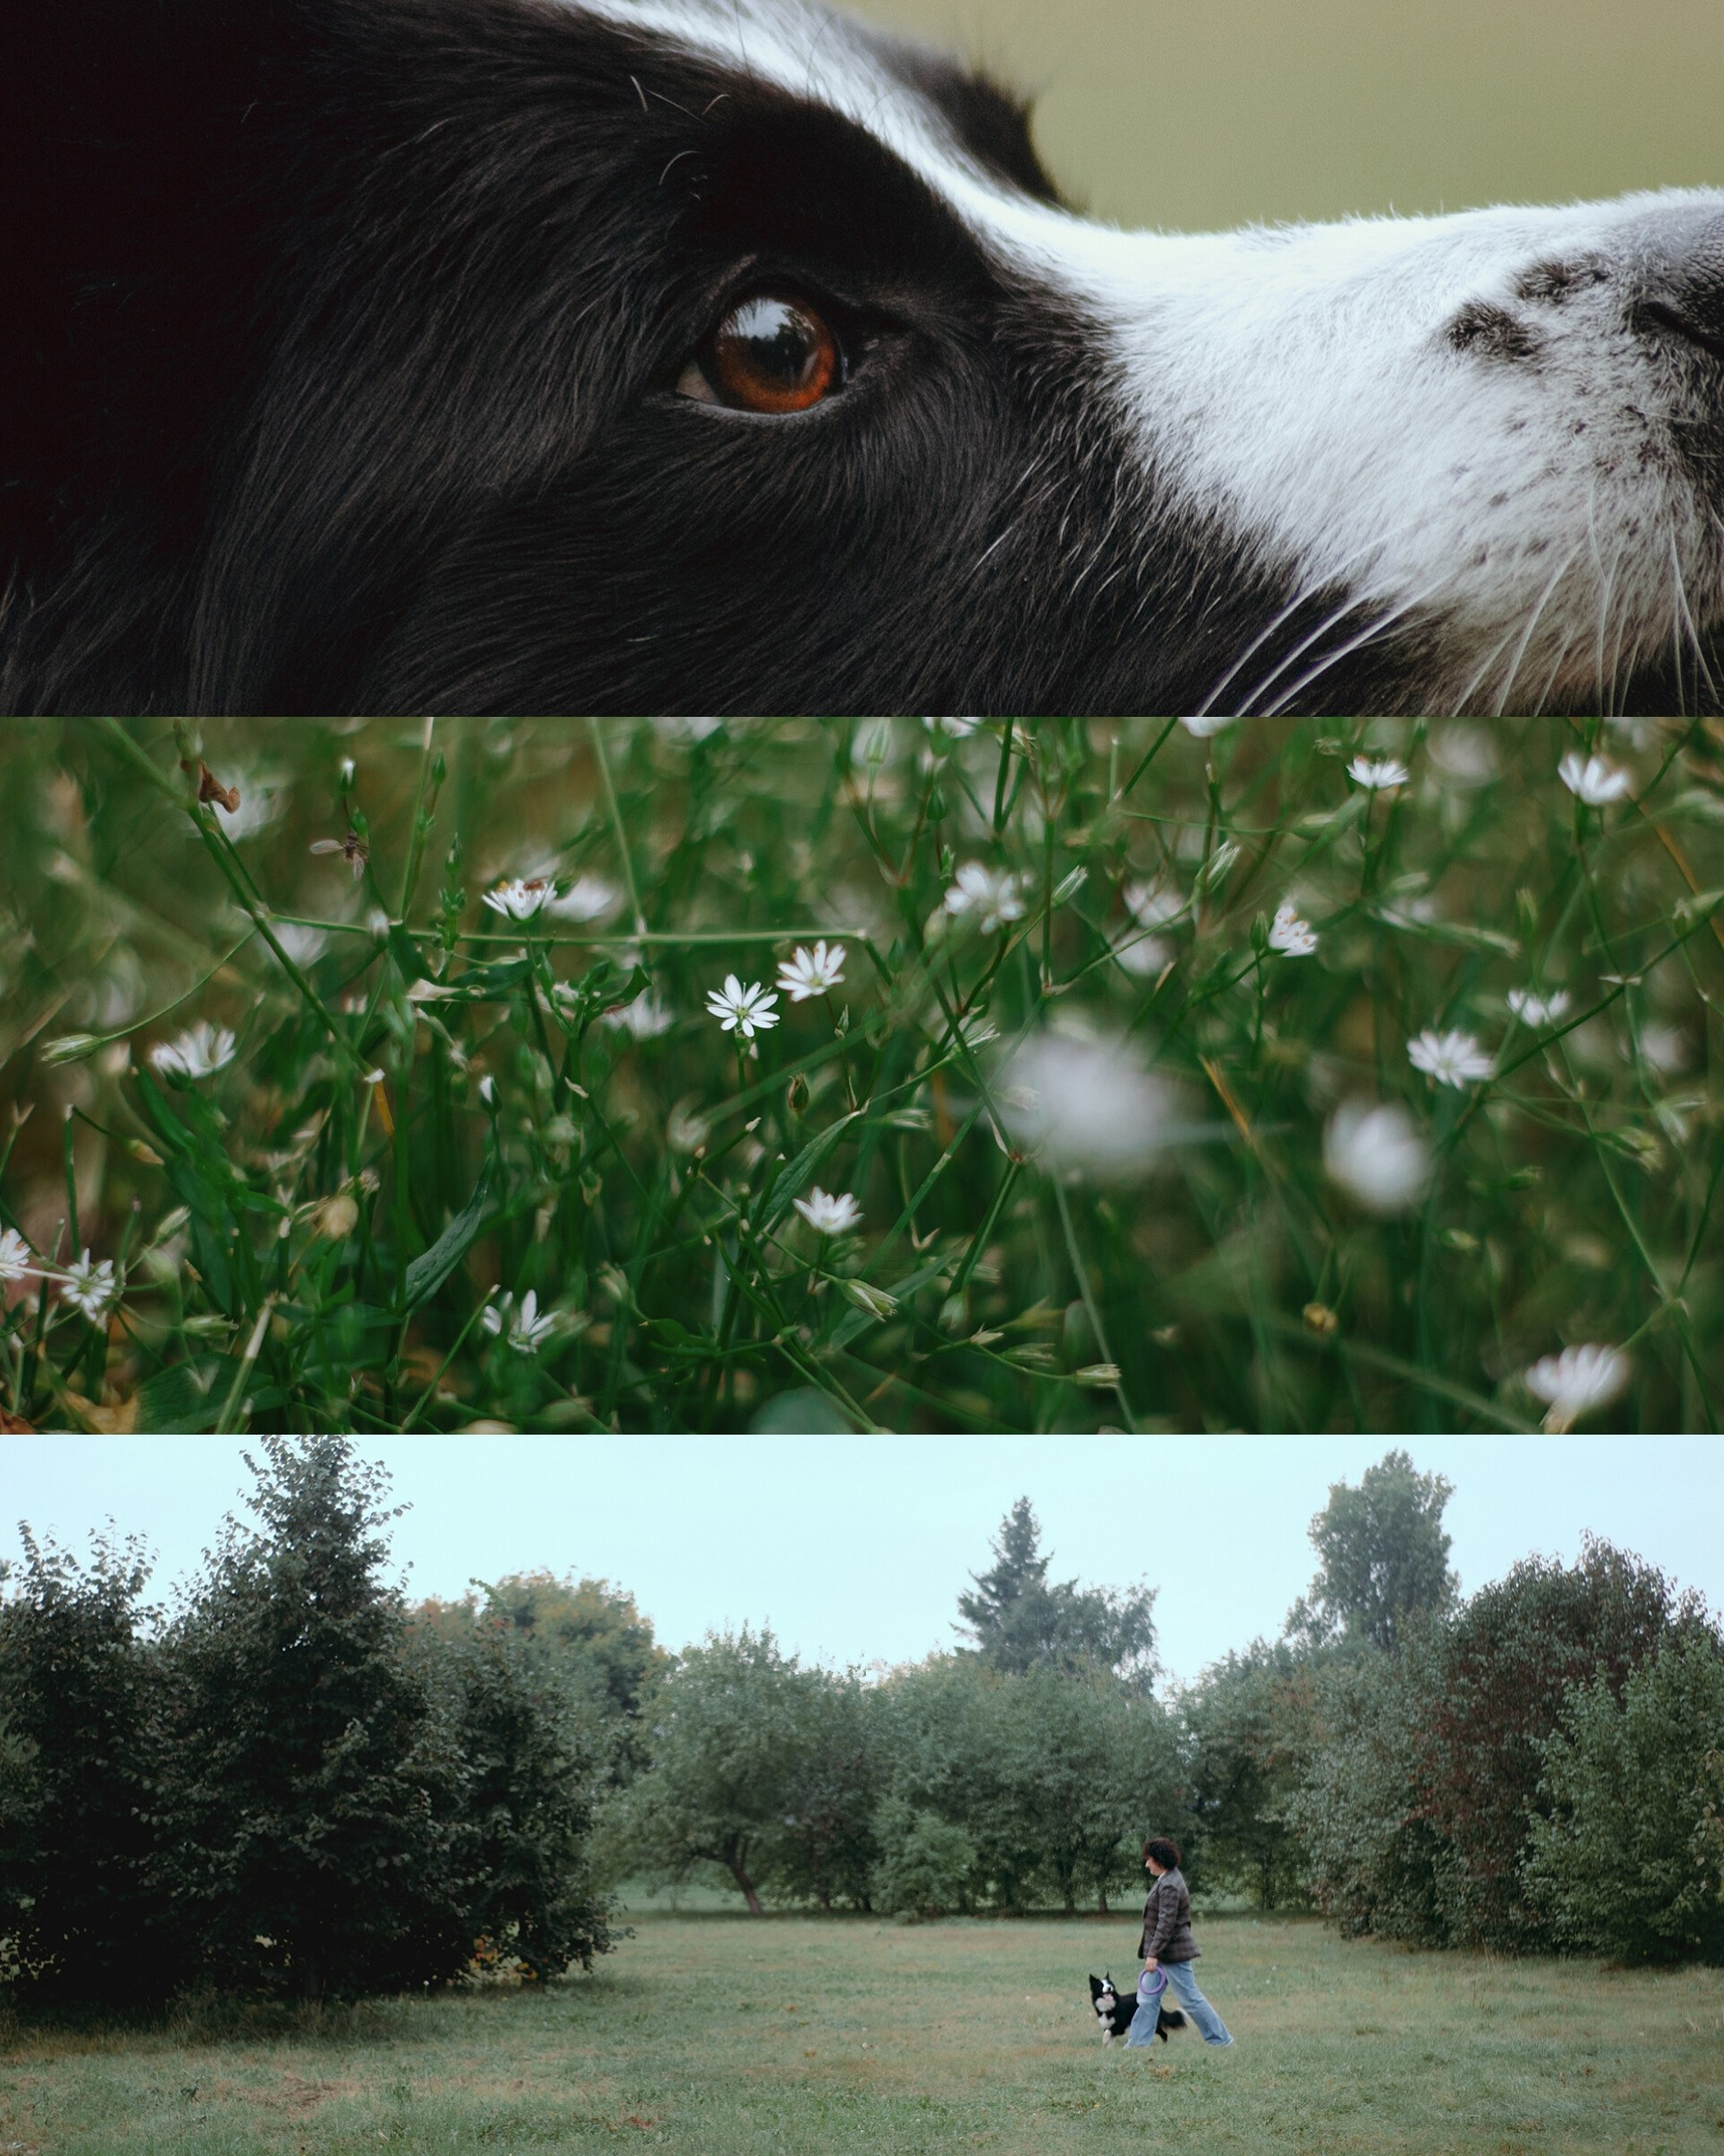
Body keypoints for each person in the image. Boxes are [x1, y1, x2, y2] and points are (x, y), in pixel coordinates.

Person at [1126, 1836, 1234, 2048]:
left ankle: (1222, 2041)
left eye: (1149, 1860)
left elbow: (1166, 1924)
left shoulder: (1170, 1885)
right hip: (1162, 1953)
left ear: (1159, 1860)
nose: (1146, 1864)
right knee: (1147, 1999)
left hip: (1172, 1954)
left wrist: (1153, 1954)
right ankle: (1137, 2045)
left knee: (1190, 1999)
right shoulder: (1167, 1879)